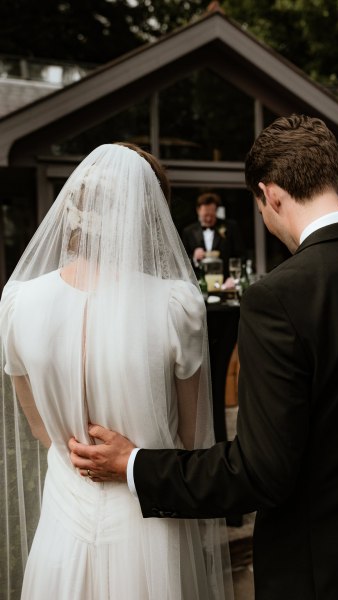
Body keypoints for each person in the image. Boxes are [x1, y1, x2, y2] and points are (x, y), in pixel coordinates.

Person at [69, 114, 338, 599]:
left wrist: (134, 463)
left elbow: (260, 472)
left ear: (269, 195)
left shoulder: (278, 297)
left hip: (323, 570)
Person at [0, 143, 233, 599]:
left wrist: (83, 455)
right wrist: (128, 459)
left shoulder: (18, 304)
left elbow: (40, 428)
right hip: (148, 522)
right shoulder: (175, 306)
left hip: (63, 521)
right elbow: (189, 442)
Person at [181, 192, 245, 280]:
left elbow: (241, 256)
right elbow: (182, 261)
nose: (208, 219)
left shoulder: (231, 227)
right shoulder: (188, 231)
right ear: (198, 210)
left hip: (226, 282)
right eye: (205, 215)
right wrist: (194, 257)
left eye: (211, 215)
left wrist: (233, 279)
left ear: (216, 210)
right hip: (198, 283)